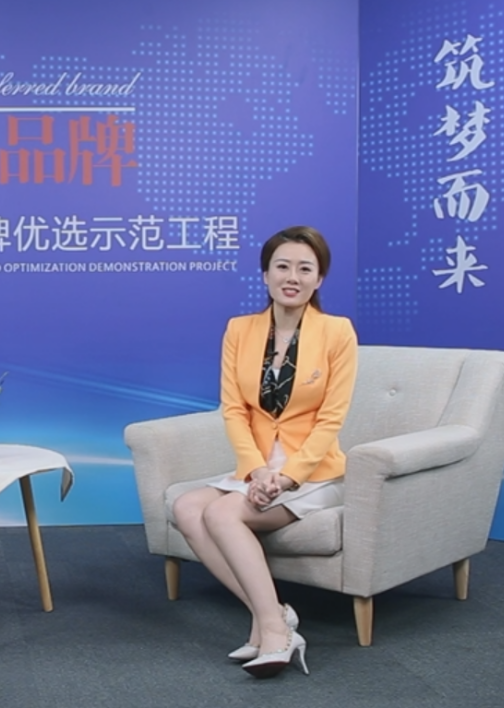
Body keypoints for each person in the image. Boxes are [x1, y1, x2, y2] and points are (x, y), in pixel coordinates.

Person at [171, 226, 357, 678]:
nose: (292, 277)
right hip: (256, 469)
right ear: (265, 274)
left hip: (313, 473)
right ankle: (274, 614)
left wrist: (287, 477)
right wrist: (256, 471)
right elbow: (234, 410)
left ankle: (272, 631)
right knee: (187, 507)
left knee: (221, 514)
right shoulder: (240, 330)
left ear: (319, 279)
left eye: (305, 269)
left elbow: (331, 419)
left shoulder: (337, 332)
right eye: (282, 266)